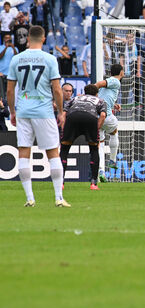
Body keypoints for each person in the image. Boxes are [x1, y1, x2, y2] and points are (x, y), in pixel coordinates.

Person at [6, 25, 70, 207]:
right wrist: (60, 111)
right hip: (44, 111)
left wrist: (12, 111)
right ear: (43, 39)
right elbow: (57, 89)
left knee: (24, 153)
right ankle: (58, 197)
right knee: (53, 153)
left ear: (28, 40)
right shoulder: (50, 59)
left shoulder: (17, 59)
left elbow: (10, 90)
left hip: (24, 111)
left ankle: (30, 198)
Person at [59, 84, 107, 189]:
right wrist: (96, 129)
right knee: (94, 149)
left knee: (64, 149)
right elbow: (103, 115)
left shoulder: (76, 98)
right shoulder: (100, 100)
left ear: (85, 92)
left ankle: (60, 182)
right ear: (96, 93)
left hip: (73, 117)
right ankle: (93, 183)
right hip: (90, 118)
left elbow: (63, 114)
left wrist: (64, 128)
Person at [95, 64, 125, 184]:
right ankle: (112, 160)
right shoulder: (115, 81)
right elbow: (97, 85)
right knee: (114, 131)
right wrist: (91, 90)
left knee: (100, 143)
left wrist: (114, 104)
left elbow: (104, 97)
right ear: (121, 72)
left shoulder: (109, 85)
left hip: (97, 117)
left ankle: (101, 170)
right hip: (106, 116)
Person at [0, 34, 17, 98]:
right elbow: (0, 56)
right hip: (1, 73)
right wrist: (6, 48)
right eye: (6, 38)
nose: (8, 39)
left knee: (9, 92)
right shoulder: (1, 47)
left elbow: (17, 58)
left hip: (10, 73)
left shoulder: (14, 48)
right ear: (4, 39)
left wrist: (13, 48)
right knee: (2, 93)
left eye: (9, 38)